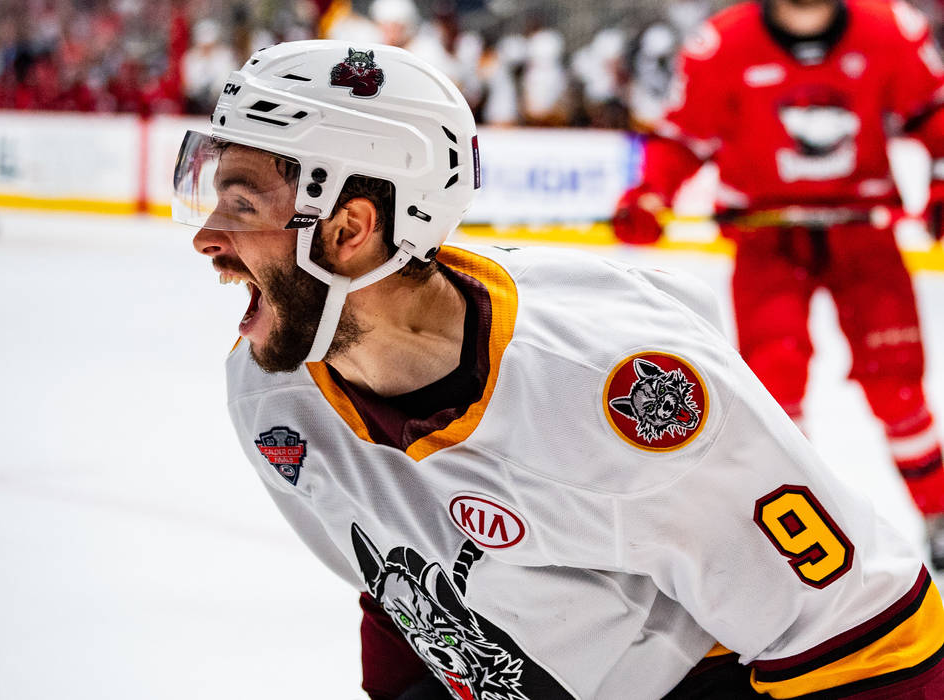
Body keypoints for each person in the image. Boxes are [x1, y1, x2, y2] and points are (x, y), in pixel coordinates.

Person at [175, 39, 944, 698]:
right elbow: (398, 585)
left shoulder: (622, 393)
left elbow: (871, 631)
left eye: (242, 205)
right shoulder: (272, 395)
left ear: (350, 228)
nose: (206, 238)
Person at [612, 0, 944, 569]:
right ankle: (794, 533)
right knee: (774, 394)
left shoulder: (891, 29)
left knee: (899, 390)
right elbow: (683, 137)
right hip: (767, 241)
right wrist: (651, 193)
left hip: (863, 235)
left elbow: (933, 118)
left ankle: (937, 517)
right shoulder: (721, 43)